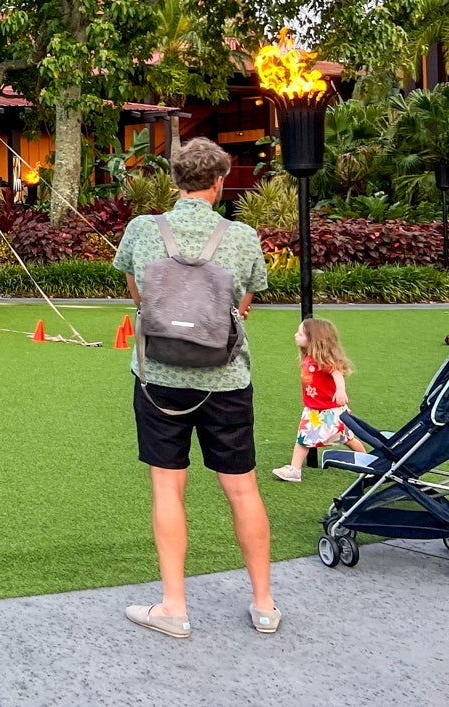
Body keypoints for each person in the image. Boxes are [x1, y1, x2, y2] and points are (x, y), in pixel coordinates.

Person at [112, 137, 276, 638]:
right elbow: (243, 304)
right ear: (220, 182)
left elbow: (138, 296)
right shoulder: (241, 236)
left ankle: (174, 607)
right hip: (226, 379)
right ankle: (264, 604)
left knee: (168, 486)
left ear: (175, 181)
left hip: (159, 377)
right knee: (242, 488)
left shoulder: (143, 229)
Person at [271, 317, 367, 481]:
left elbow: (337, 373)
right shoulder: (310, 358)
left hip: (330, 411)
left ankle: (368, 463)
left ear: (313, 339)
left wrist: (341, 390)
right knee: (307, 439)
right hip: (314, 410)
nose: (295, 335)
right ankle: (295, 469)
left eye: (300, 334)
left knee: (347, 438)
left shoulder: (323, 361)